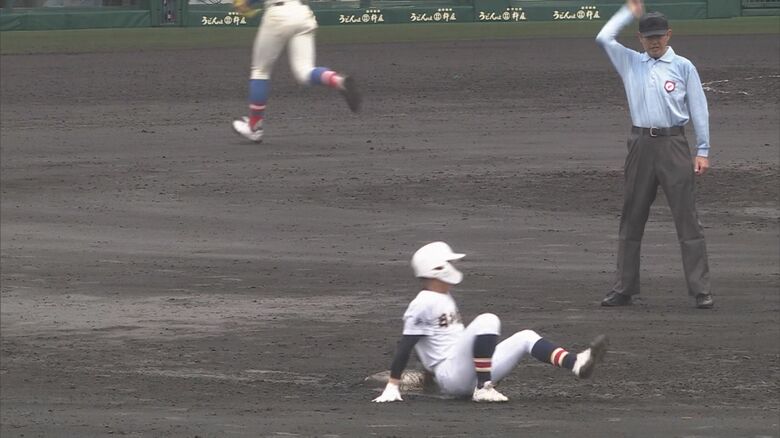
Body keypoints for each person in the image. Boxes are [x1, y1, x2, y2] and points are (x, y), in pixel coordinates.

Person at [372, 241, 608, 403]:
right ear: (437, 269)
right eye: (449, 263)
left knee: (525, 337)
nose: (453, 267)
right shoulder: (422, 303)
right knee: (487, 320)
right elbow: (406, 344)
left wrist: (426, 377)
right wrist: (393, 385)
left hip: (464, 371)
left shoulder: (442, 296)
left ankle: (576, 363)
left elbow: (432, 343)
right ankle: (484, 388)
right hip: (451, 375)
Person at [595, 0, 714, 309]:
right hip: (640, 146)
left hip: (674, 144)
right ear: (640, 38)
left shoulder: (683, 66)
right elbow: (603, 37)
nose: (654, 42)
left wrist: (702, 149)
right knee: (631, 218)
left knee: (687, 219)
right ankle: (624, 288)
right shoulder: (631, 62)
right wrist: (627, 12)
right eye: (649, 37)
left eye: (659, 36)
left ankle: (700, 290)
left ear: (669, 35)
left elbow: (699, 109)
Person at [231, 0, 361, 143]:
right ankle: (338, 81)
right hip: (302, 12)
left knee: (260, 71)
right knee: (304, 71)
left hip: (278, 13)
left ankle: (254, 128)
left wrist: (246, 3)